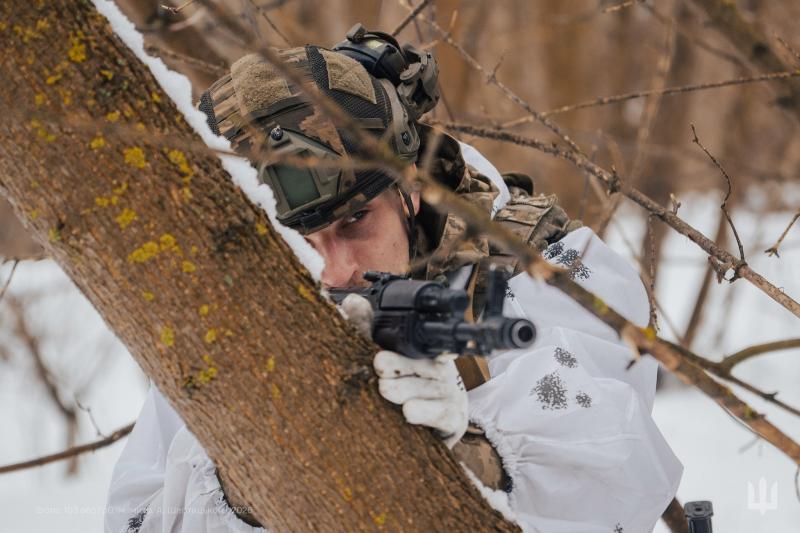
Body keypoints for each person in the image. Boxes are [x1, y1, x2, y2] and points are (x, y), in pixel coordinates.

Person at [105, 30, 682, 533]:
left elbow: (616, 469)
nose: (336, 272)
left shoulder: (545, 267)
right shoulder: (231, 316)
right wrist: (248, 487)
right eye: (300, 243)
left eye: (356, 220)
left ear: (408, 187)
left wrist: (469, 455)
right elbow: (139, 516)